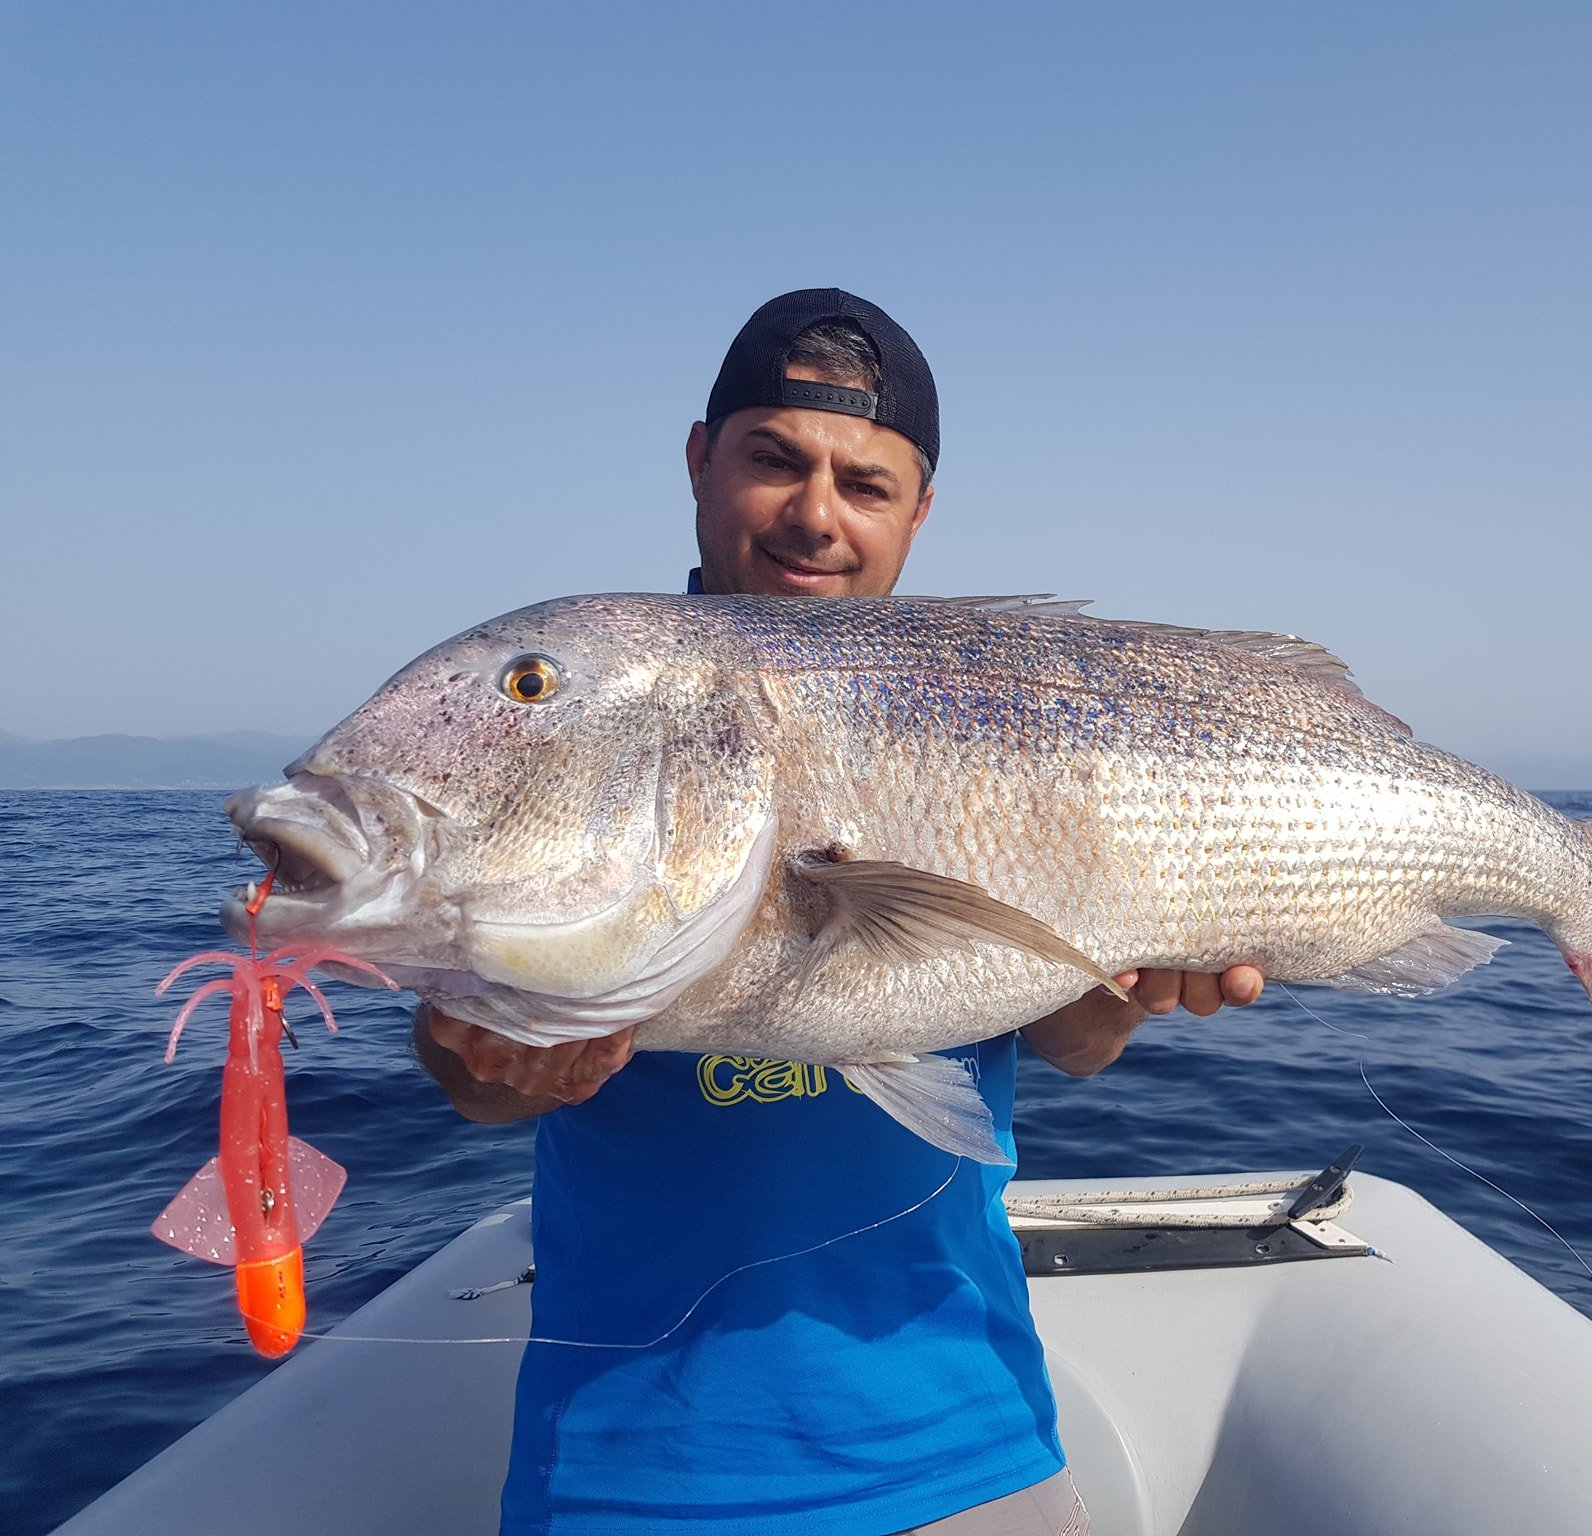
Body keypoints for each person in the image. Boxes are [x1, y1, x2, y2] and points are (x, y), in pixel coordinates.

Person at [413, 289, 1265, 1535]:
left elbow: (1073, 1044)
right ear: (700, 459)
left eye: (866, 485)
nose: (816, 515)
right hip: (629, 1470)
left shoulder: (1007, 720)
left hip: (969, 1444)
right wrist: (495, 1053)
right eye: (775, 460)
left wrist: (1139, 981)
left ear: (918, 512)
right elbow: (470, 1083)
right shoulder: (594, 708)